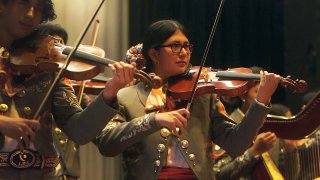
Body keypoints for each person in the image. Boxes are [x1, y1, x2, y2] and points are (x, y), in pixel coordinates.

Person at [93, 19, 280, 180]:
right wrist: (152, 120)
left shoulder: (203, 96)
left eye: (186, 46)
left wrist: (260, 101)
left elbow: (236, 144)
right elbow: (107, 144)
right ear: (154, 53)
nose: (184, 52)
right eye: (175, 46)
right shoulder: (126, 96)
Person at [0, 0, 135, 179]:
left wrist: (109, 93)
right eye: (24, 4)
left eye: (38, 8)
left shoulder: (45, 66)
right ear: (2, 5)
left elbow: (79, 131)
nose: (31, 14)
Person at [212, 66, 278, 180]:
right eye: (258, 91)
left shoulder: (269, 125)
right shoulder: (228, 124)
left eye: (267, 91)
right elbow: (219, 174)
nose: (265, 96)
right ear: (243, 95)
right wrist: (253, 152)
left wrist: (290, 151)